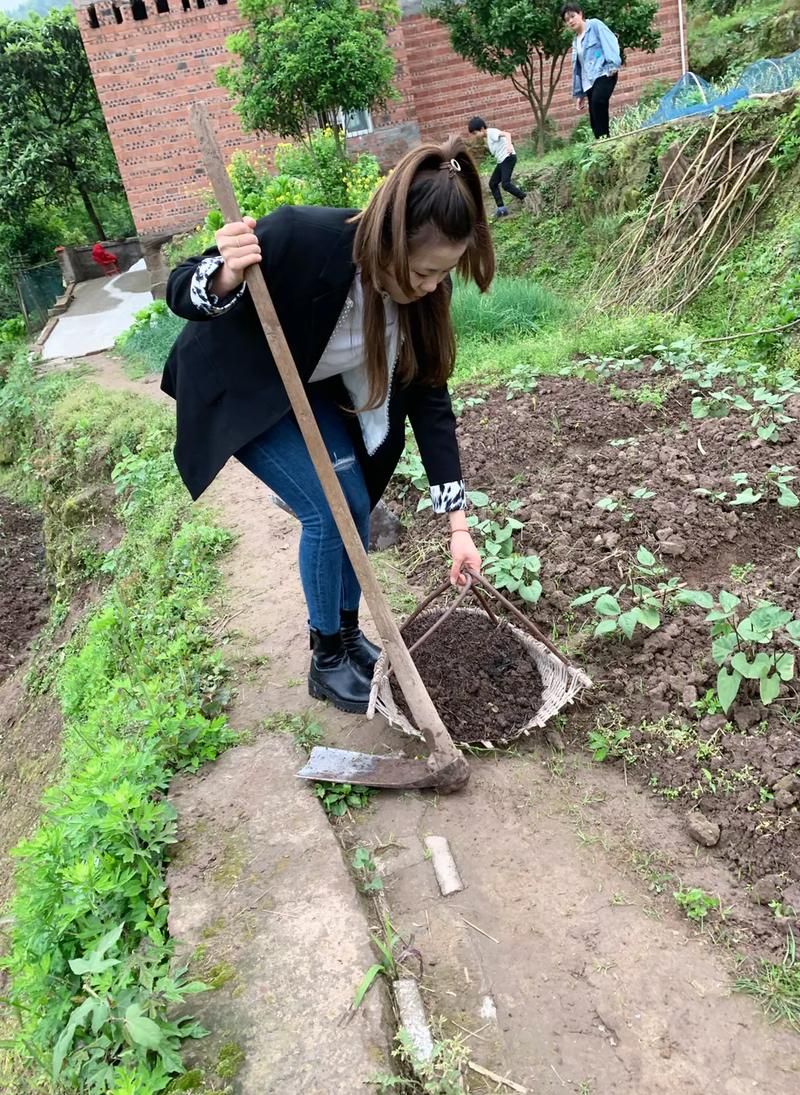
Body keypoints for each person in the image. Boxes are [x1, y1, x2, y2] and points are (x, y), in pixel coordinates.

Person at [162, 137, 493, 715]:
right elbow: (180, 288)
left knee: (355, 502)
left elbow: (430, 400)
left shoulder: (424, 297)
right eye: (424, 271)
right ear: (391, 242)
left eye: (444, 274)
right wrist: (226, 274)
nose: (432, 286)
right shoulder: (303, 236)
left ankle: (347, 635)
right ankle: (327, 658)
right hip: (245, 387)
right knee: (325, 506)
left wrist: (458, 525)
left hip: (309, 388)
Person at [561, 4, 621, 140]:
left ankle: (606, 139)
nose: (571, 21)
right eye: (567, 20)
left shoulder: (594, 25)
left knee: (599, 102)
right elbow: (579, 68)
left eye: (572, 16)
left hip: (604, 72)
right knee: (594, 115)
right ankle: (601, 143)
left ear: (580, 14)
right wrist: (580, 93)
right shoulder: (576, 41)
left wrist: (613, 65)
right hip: (588, 81)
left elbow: (610, 40)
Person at [466, 117, 526, 218]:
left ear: (482, 129)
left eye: (475, 133)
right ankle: (501, 209)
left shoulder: (492, 132)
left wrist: (509, 146)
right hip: (502, 161)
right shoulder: (488, 137)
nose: (475, 136)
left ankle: (525, 197)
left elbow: (507, 134)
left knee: (505, 184)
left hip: (508, 158)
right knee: (493, 184)